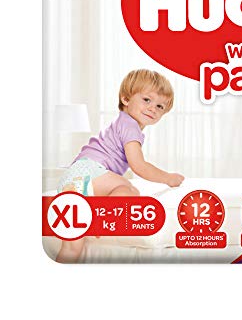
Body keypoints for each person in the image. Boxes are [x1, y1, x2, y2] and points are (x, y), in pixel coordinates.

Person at [55, 68, 184, 262]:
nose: (153, 108)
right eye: (147, 100)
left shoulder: (121, 123)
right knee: (129, 190)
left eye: (160, 106)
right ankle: (100, 218)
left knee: (72, 248)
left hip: (71, 180)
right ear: (125, 99)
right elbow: (139, 166)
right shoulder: (130, 126)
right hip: (89, 172)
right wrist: (168, 178)